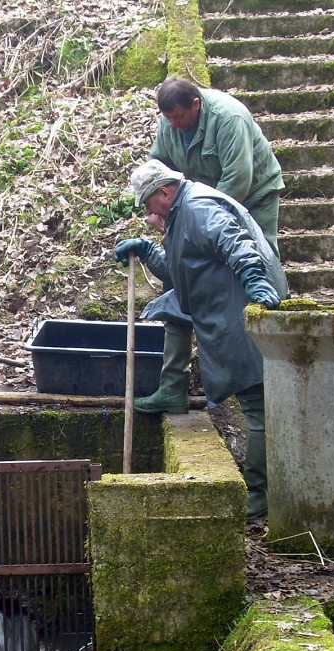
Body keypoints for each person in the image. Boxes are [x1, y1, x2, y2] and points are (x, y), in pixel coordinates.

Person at [114, 159, 288, 518]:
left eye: (148, 204)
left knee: (257, 408)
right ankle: (262, 489)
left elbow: (234, 242)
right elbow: (184, 271)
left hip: (240, 312)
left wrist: (256, 280)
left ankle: (261, 495)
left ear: (164, 191)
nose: (147, 211)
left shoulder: (197, 207)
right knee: (256, 405)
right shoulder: (181, 215)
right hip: (222, 313)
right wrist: (148, 252)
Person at [138, 77, 284, 415]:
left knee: (253, 274)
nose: (173, 124)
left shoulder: (229, 118)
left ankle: (265, 370)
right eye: (168, 118)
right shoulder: (169, 122)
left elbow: (238, 179)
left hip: (248, 200)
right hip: (190, 206)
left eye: (178, 117)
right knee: (182, 282)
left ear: (196, 105)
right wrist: (169, 218)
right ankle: (172, 385)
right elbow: (159, 167)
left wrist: (193, 219)